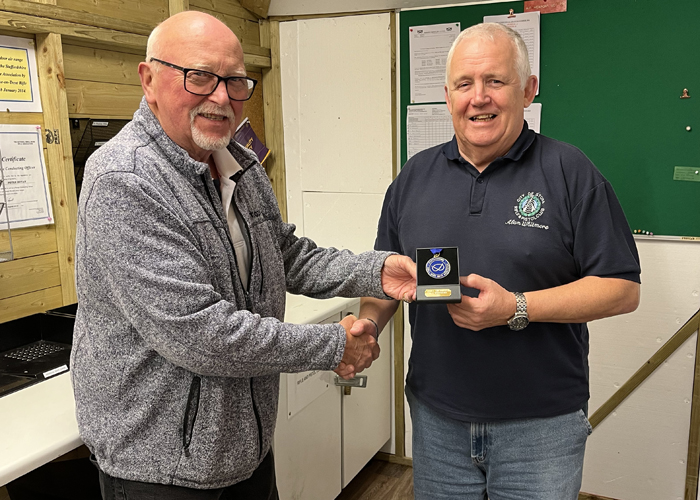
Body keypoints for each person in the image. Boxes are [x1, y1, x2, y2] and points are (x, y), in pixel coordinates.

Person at [71, 11, 415, 500]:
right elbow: (201, 334)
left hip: (242, 451)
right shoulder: (125, 182)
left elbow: (286, 254)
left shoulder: (239, 163)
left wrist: (376, 272)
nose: (221, 96)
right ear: (149, 79)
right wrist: (334, 346)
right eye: (200, 76)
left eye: (235, 81)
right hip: (162, 471)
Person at [357, 23, 641, 499]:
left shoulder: (571, 172)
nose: (479, 97)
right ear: (447, 95)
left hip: (541, 428)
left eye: (495, 81)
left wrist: (516, 307)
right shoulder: (413, 176)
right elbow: (386, 272)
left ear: (527, 90)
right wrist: (368, 324)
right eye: (465, 84)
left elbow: (622, 288)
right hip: (436, 422)